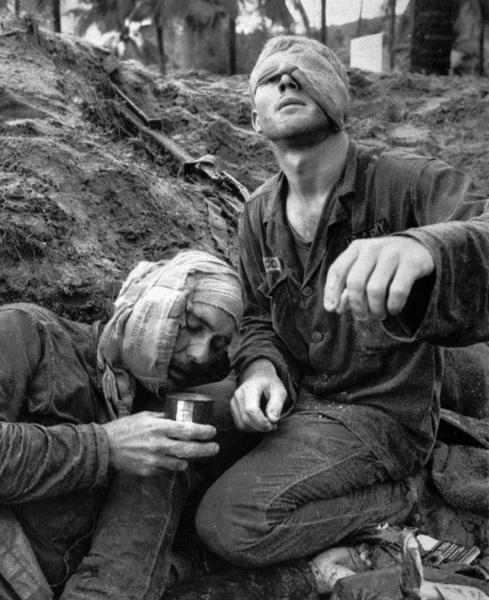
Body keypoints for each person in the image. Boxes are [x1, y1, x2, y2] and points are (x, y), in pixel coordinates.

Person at [195, 35, 489, 595]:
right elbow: (257, 315)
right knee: (178, 429)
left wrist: (427, 246)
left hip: (381, 417)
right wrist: (259, 371)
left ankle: (404, 494)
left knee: (229, 524)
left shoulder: (407, 183)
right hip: (300, 403)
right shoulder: (257, 215)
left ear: (339, 102)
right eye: (270, 76)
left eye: (304, 71)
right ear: (253, 120)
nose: (285, 80)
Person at [0, 249, 243, 600]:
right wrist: (107, 447)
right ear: (153, 300)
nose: (199, 354)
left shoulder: (153, 416)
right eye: (192, 326)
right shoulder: (27, 330)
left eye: (216, 345)